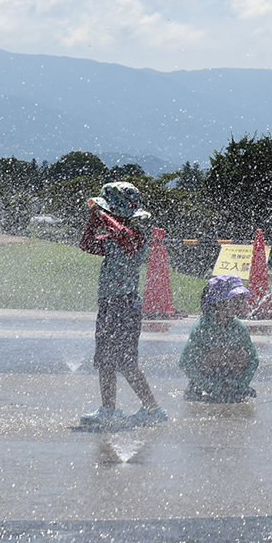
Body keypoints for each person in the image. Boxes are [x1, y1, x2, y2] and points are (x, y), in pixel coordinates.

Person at [77, 182, 166, 428]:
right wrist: (92, 221)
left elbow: (126, 239)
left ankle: (153, 408)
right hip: (109, 303)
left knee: (126, 363)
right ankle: (108, 408)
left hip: (125, 305)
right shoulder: (113, 236)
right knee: (104, 360)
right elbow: (87, 244)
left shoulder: (136, 234)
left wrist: (105, 218)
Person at [182, 275, 260, 403]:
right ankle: (197, 387)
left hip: (231, 376)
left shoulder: (238, 327)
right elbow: (185, 362)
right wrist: (210, 386)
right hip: (206, 377)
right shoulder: (202, 326)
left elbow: (253, 359)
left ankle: (232, 386)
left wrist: (242, 384)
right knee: (216, 353)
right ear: (219, 302)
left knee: (241, 354)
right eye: (235, 300)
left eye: (241, 300)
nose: (240, 305)